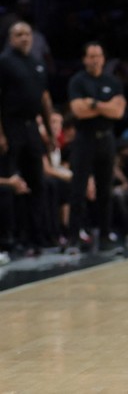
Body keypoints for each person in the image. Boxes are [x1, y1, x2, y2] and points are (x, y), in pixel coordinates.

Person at [0, 22, 56, 254]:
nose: (24, 38)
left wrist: (51, 132)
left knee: (38, 183)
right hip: (10, 125)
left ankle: (37, 235)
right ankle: (8, 237)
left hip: (32, 126)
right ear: (10, 38)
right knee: (10, 182)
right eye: (19, 34)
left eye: (27, 34)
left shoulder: (37, 64)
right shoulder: (4, 62)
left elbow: (44, 99)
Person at [67, 42, 127, 254]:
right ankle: (73, 238)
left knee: (105, 191)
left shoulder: (113, 81)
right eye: (91, 56)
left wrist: (92, 104)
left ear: (103, 58)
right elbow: (77, 110)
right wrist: (105, 106)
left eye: (98, 56)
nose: (95, 60)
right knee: (78, 189)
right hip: (84, 139)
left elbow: (118, 112)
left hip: (106, 139)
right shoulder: (77, 81)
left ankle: (105, 236)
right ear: (84, 59)